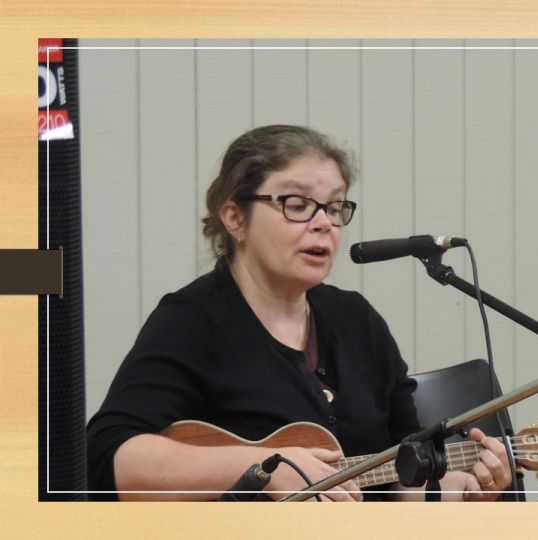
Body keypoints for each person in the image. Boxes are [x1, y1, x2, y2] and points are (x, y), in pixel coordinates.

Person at [86, 125, 512, 502]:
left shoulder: (357, 320)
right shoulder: (193, 322)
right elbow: (109, 458)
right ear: (235, 217)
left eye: (334, 206)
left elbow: (404, 481)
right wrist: (263, 469)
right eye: (296, 203)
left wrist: (465, 493)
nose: (323, 222)